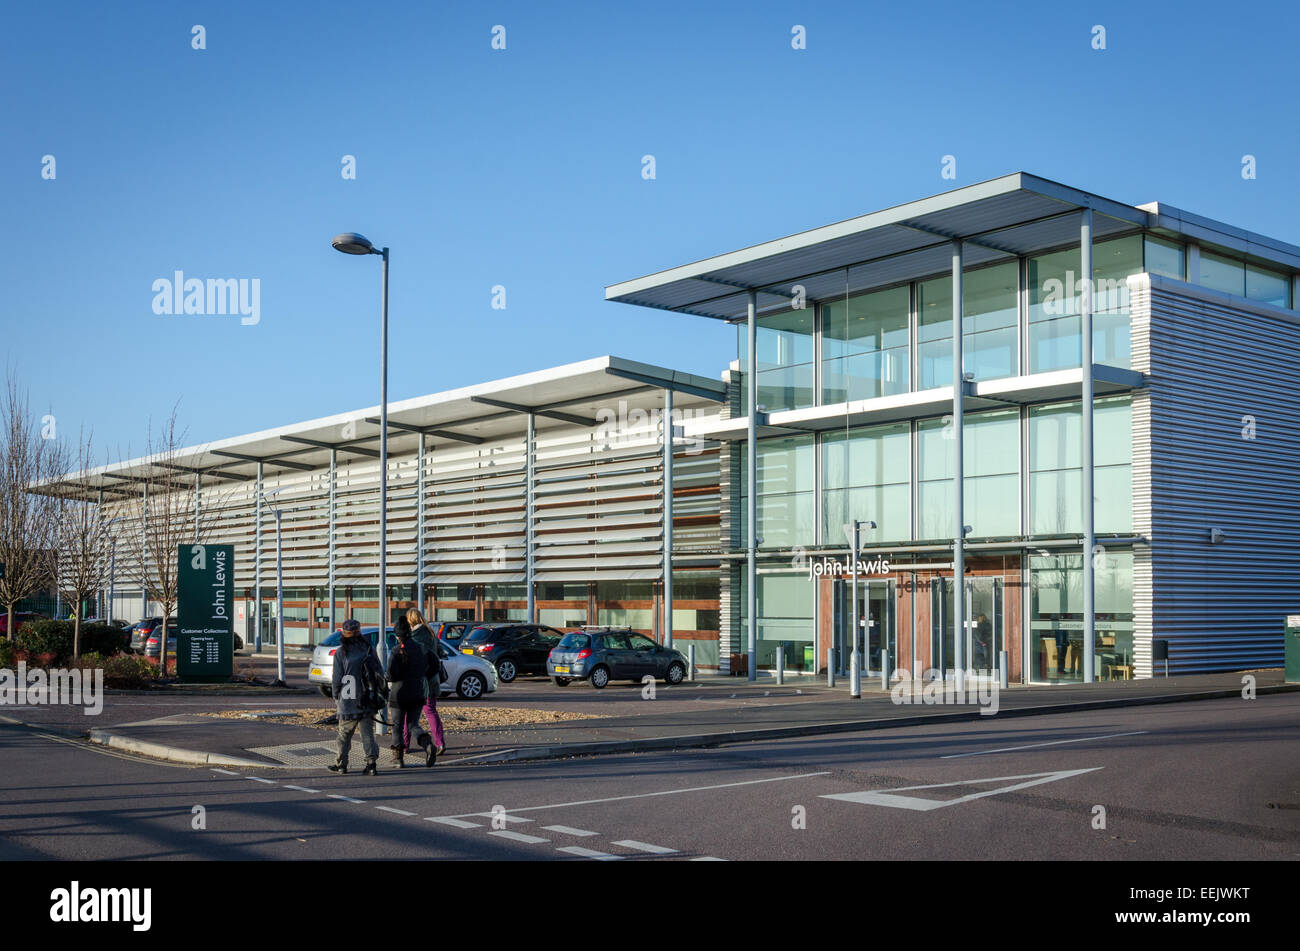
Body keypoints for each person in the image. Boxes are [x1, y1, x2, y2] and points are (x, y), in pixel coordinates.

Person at [330, 619, 382, 776]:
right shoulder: (367, 649)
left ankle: (341, 764)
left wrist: (335, 697)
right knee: (367, 735)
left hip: (347, 700)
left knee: (344, 735)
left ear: (344, 634)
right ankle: (371, 764)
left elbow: (336, 678)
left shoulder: (341, 653)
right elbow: (379, 672)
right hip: (366, 699)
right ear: (360, 633)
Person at [386, 616, 435, 767]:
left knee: (397, 726)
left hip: (399, 694)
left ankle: (398, 758)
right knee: (413, 724)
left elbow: (391, 674)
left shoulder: (395, 651)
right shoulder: (421, 648)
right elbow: (435, 665)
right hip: (417, 691)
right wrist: (423, 675)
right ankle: (427, 743)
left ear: (397, 636)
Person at [407, 608, 447, 758]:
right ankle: (440, 743)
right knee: (431, 711)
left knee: (409, 715)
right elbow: (442, 652)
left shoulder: (411, 636)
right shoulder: (431, 633)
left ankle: (404, 746)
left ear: (410, 620)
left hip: (416, 681)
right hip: (432, 679)